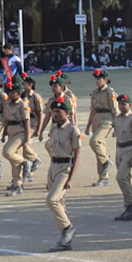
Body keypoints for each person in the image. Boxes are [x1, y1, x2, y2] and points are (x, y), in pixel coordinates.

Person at [45, 98, 82, 251]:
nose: (55, 114)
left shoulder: (73, 130)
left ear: (67, 113)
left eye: (59, 112)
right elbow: (51, 147)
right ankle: (65, 241)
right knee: (59, 203)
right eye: (54, 111)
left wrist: (71, 178)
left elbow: (77, 155)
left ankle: (68, 228)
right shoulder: (54, 128)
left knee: (51, 200)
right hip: (53, 166)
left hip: (65, 168)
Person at [112, 95, 132, 221]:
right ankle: (128, 208)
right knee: (126, 179)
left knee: (120, 177)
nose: (121, 106)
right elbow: (117, 136)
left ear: (130, 105)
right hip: (120, 149)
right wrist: (117, 152)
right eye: (119, 104)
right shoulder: (117, 119)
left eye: (124, 104)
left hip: (129, 149)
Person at [87, 69, 119, 186]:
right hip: (96, 118)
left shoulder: (110, 92)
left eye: (99, 79)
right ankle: (103, 178)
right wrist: (88, 126)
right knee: (99, 148)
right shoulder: (94, 93)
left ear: (105, 80)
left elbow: (115, 111)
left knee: (94, 141)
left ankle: (106, 161)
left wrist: (116, 127)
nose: (97, 81)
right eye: (96, 79)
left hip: (107, 118)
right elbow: (92, 110)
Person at [0, 82, 31, 197]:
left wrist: (27, 139)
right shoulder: (8, 104)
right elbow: (6, 120)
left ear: (19, 93)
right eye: (10, 92)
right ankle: (17, 185)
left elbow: (27, 122)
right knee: (14, 162)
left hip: (20, 132)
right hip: (11, 132)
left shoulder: (22, 105)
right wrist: (4, 133)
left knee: (7, 152)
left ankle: (25, 162)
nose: (10, 94)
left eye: (13, 92)